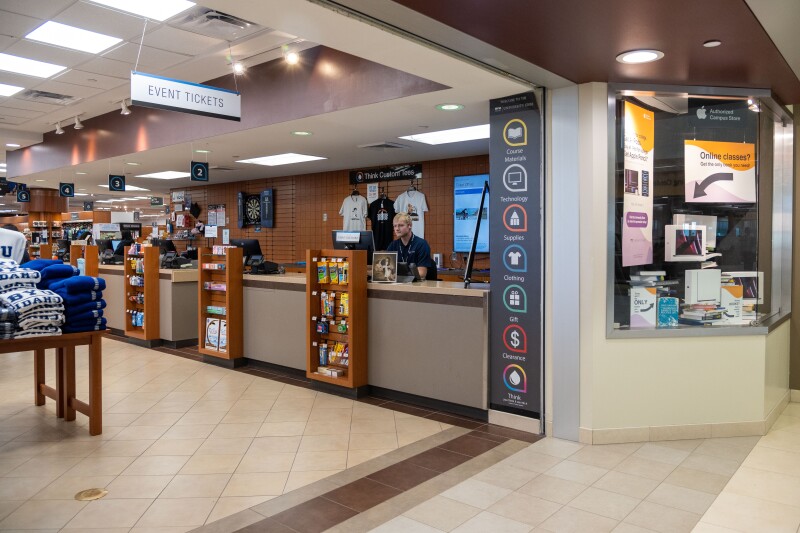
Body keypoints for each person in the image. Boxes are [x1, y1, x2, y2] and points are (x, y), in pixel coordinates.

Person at [386, 212, 435, 279]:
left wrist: (398, 275)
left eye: (401, 225)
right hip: (399, 284)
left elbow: (421, 274)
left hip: (417, 285)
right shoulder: (392, 245)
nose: (397, 229)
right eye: (395, 226)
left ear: (409, 225)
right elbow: (387, 270)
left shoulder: (421, 244)